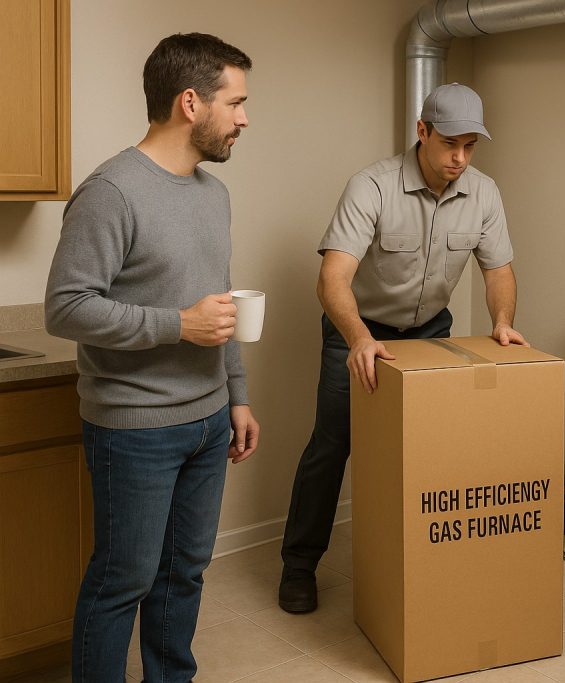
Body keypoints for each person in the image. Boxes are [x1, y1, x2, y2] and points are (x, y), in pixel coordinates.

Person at [44, 33, 259, 682]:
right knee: (122, 582)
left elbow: (220, 305)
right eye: (237, 102)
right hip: (134, 428)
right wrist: (177, 324)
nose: (245, 118)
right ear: (189, 103)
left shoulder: (213, 194)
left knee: (184, 574)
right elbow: (66, 307)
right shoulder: (112, 190)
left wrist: (239, 395)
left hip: (208, 418)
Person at [278, 83, 527, 613]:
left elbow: (499, 271)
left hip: (429, 332)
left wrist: (502, 323)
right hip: (359, 330)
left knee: (429, 453)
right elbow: (332, 279)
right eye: (449, 144)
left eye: (470, 146)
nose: (459, 158)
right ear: (422, 132)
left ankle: (419, 564)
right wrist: (359, 339)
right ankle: (298, 566)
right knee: (332, 445)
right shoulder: (371, 186)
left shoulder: (484, 193)